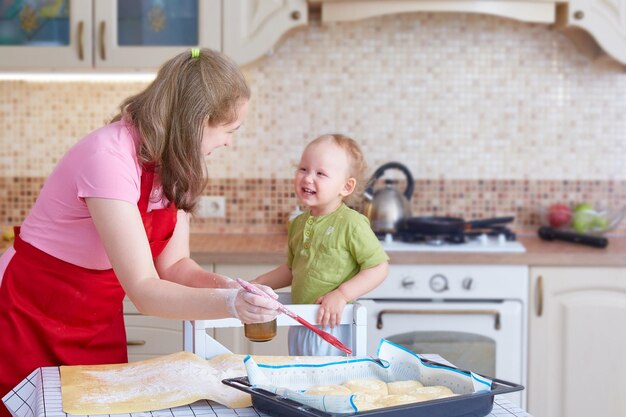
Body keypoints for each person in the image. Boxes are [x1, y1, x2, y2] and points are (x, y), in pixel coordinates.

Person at [0, 48, 280, 415]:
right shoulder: (108, 158)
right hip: (30, 313)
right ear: (195, 122)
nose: (229, 142)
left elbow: (175, 266)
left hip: (95, 318)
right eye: (228, 130)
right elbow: (146, 291)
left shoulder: (177, 165)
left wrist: (229, 287)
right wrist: (231, 307)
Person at [252, 134, 389, 356]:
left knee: (330, 388)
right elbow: (291, 270)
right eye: (303, 169)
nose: (307, 178)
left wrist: (342, 295)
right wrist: (259, 283)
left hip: (333, 326)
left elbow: (378, 268)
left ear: (345, 187)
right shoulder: (298, 223)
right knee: (303, 386)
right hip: (301, 324)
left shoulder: (351, 223)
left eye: (320, 173)